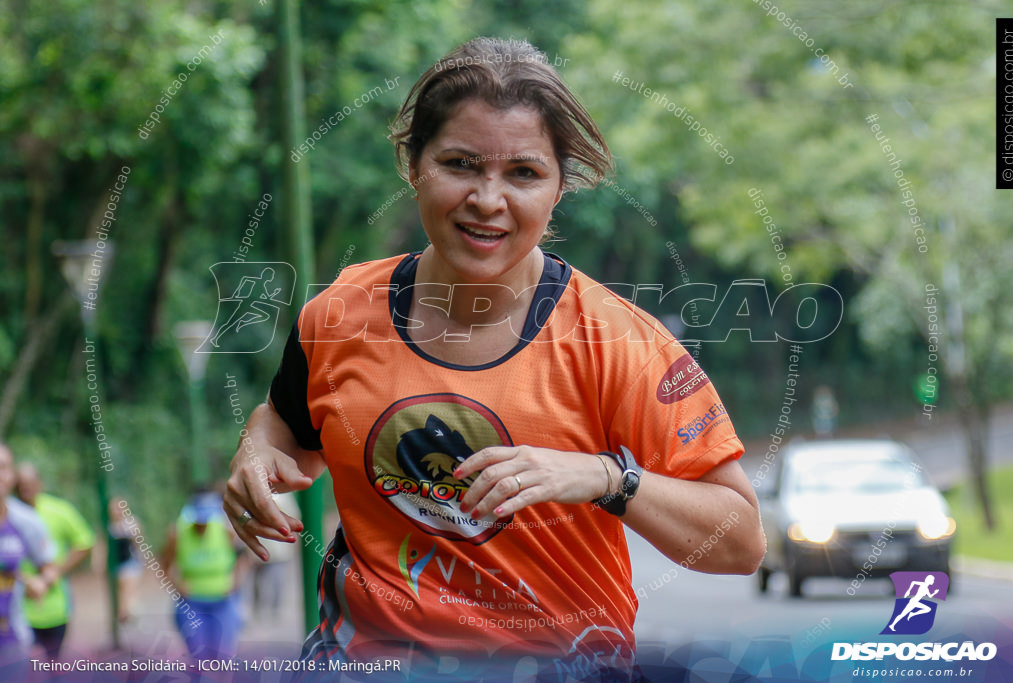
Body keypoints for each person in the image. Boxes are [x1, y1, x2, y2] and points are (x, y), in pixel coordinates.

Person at [224, 37, 765, 681]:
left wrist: (604, 478)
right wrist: (255, 449)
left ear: (560, 186)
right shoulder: (338, 314)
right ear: (412, 163)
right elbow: (290, 426)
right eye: (460, 163)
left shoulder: (623, 343)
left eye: (524, 173)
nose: (488, 199)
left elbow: (738, 542)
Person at [14, 464, 94, 659]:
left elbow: (85, 541)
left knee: (52, 663)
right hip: (17, 608)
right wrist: (24, 580)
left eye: (30, 484)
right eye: (21, 485)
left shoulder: (58, 510)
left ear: (40, 483)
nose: (26, 490)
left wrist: (55, 572)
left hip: (55, 606)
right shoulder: (8, 515)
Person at [162, 488, 247, 661]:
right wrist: (176, 585)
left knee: (223, 655)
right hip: (191, 603)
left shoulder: (225, 530)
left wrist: (236, 583)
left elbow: (243, 558)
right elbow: (165, 563)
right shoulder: (178, 533)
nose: (203, 524)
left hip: (223, 601)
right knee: (198, 654)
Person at [0, 444, 56, 667]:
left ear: (12, 475)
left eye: (2, 467)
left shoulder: (27, 522)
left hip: (13, 640)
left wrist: (42, 582)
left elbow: (48, 567)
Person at [107, 497, 143, 624]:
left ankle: (126, 612)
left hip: (131, 561)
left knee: (129, 588)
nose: (116, 511)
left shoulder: (131, 523)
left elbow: (138, 543)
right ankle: (124, 611)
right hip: (116, 564)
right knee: (120, 590)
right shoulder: (108, 526)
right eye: (114, 508)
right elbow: (102, 545)